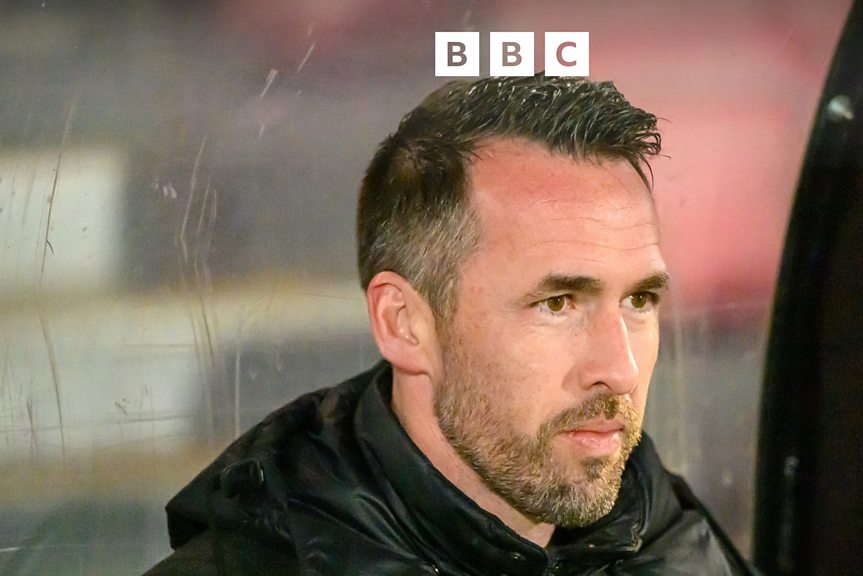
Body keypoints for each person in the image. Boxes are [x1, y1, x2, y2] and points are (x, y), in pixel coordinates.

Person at [145, 74, 754, 575]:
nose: (619, 370)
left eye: (639, 300)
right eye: (558, 303)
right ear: (404, 323)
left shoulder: (678, 545)